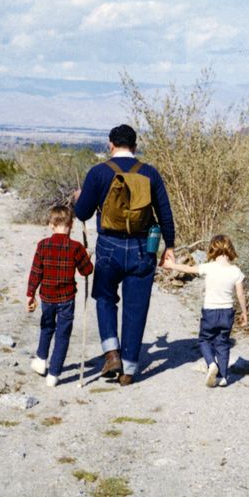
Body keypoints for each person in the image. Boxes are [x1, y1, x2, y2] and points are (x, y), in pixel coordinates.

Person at [73, 124, 175, 386]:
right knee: (136, 307)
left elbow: (82, 213)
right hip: (143, 248)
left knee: (105, 298)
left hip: (109, 246)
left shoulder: (98, 173)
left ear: (110, 145)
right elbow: (164, 213)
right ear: (135, 146)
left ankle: (111, 353)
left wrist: (79, 198)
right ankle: (128, 369)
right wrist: (170, 247)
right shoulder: (150, 173)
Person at [163, 234, 248, 387]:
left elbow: (188, 269)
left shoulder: (209, 267)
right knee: (222, 344)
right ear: (230, 250)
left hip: (210, 312)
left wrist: (171, 265)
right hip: (227, 313)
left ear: (212, 250)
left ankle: (211, 364)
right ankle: (223, 377)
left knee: (204, 340)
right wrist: (244, 313)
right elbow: (240, 294)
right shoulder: (236, 271)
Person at [26, 205, 93, 387]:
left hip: (47, 297)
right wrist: (87, 256)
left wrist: (30, 295)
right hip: (66, 299)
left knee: (47, 327)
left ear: (51, 225)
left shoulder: (43, 245)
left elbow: (35, 272)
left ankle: (41, 360)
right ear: (71, 225)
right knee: (63, 335)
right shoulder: (76, 247)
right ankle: (54, 374)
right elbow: (87, 270)